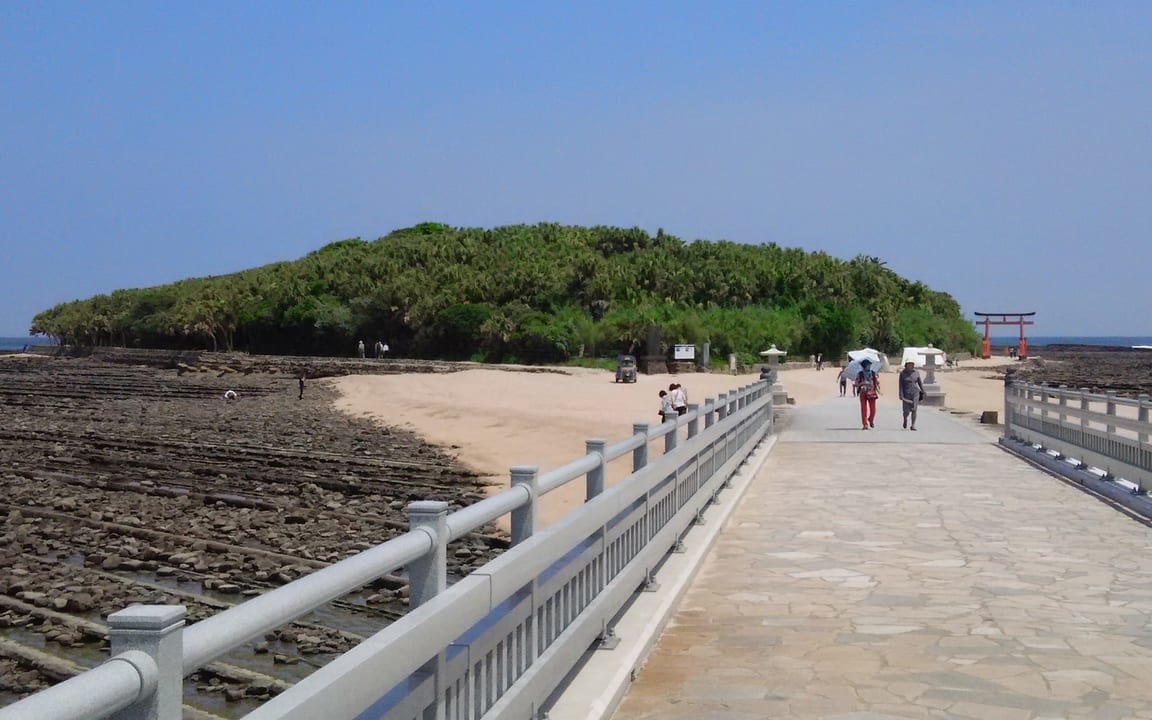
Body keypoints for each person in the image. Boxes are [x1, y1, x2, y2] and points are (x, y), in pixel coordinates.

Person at [898, 360, 926, 430]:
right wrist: (901, 394)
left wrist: (923, 391)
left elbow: (920, 383)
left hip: (915, 393)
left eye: (912, 364)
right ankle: (905, 419)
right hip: (906, 394)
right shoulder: (902, 373)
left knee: (914, 409)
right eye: (909, 364)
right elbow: (900, 385)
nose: (910, 366)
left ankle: (913, 425)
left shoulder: (916, 373)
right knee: (906, 411)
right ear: (906, 365)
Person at [854, 358, 880, 429]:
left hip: (872, 392)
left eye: (869, 365)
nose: (869, 366)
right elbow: (856, 383)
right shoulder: (860, 374)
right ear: (864, 366)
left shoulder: (873, 373)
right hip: (863, 392)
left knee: (873, 410)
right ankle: (865, 424)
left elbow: (877, 382)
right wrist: (862, 383)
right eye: (868, 365)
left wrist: (877, 383)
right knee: (864, 409)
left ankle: (870, 419)